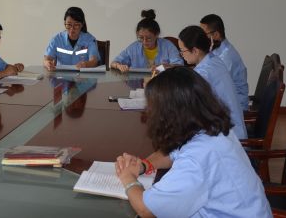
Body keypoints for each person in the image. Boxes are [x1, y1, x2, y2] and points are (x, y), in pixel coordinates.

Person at [114, 67, 271, 218]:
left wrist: (128, 177)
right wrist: (144, 165)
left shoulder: (197, 158)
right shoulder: (211, 127)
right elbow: (171, 154)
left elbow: (146, 210)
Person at [177, 26, 247, 139]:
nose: (181, 54)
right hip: (230, 127)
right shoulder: (213, 59)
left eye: (182, 50)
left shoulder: (204, 73)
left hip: (229, 136)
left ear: (195, 51)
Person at [200, 14, 249, 111]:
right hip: (225, 101)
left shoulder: (226, 57)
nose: (200, 38)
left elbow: (214, 87)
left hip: (234, 107)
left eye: (203, 35)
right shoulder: (217, 50)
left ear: (216, 35)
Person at [110, 9, 182, 72]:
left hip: (163, 81)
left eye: (149, 38)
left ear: (157, 34)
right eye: (141, 38)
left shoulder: (168, 46)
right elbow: (114, 63)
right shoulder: (134, 47)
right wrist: (119, 66)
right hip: (138, 82)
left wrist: (165, 66)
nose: (144, 42)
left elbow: (180, 66)